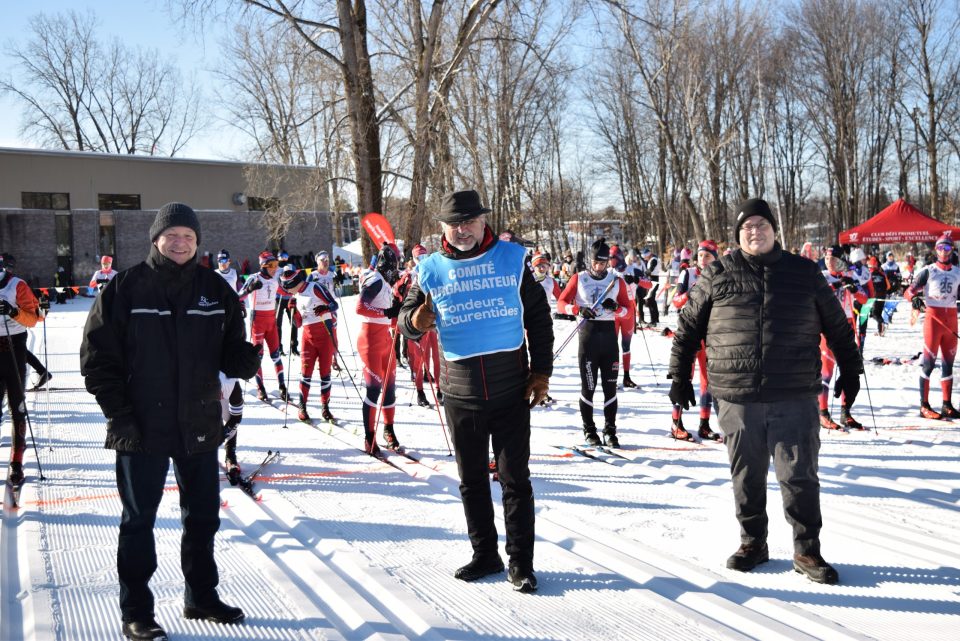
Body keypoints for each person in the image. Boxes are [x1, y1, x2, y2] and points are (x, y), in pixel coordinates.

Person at [79, 203, 261, 640]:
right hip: (140, 424)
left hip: (198, 421)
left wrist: (244, 359)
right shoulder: (126, 288)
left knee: (202, 517)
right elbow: (97, 360)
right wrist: (118, 416)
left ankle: (201, 596)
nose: (180, 243)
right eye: (172, 235)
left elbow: (231, 348)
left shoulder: (215, 290)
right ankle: (137, 610)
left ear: (198, 243)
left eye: (189, 237)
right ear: (156, 238)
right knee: (138, 520)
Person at [668, 198, 862, 585]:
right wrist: (679, 377)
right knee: (746, 475)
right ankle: (753, 542)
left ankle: (807, 550)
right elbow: (687, 327)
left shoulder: (804, 273)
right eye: (746, 227)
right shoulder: (719, 272)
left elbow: (837, 327)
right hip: (737, 395)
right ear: (738, 235)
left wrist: (851, 371)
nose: (754, 232)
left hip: (794, 393)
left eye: (761, 225)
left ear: (775, 230)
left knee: (800, 476)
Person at [398, 189, 552, 593]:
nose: (462, 230)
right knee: (471, 480)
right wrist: (417, 317)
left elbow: (538, 317)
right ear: (443, 228)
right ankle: (485, 554)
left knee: (514, 478)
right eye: (454, 223)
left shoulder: (512, 259)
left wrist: (541, 372)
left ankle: (521, 562)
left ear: (484, 221)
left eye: (469, 221)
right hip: (460, 393)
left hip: (510, 390)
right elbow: (404, 323)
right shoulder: (429, 269)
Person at [557, 237, 634, 448]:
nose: (598, 267)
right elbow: (561, 303)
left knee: (610, 389)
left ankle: (610, 430)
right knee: (588, 387)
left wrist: (616, 308)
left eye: (602, 262)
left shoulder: (615, 281)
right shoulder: (579, 278)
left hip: (609, 338)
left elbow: (629, 313)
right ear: (590, 260)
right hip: (588, 337)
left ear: (608, 261)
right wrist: (577, 310)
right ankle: (589, 430)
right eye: (595, 262)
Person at [669, 240, 722, 442]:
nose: (702, 259)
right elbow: (675, 300)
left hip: (710, 334)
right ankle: (676, 423)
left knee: (708, 380)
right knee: (684, 377)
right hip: (690, 332)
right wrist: (689, 294)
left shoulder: (719, 275)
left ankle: (704, 425)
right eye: (700, 255)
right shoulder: (688, 273)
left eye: (707, 256)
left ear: (715, 258)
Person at [904, 234, 960, 419]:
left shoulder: (958, 272)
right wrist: (914, 300)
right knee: (928, 364)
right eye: (940, 248)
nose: (944, 252)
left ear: (952, 250)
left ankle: (947, 405)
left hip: (951, 320)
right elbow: (908, 291)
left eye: (947, 248)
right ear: (935, 250)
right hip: (933, 321)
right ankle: (924, 406)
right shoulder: (928, 271)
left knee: (948, 365)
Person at [356, 243, 403, 452]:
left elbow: (387, 311)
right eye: (396, 262)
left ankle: (389, 430)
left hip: (384, 338)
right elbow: (360, 306)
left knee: (390, 389)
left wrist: (396, 316)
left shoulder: (384, 281)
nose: (397, 268)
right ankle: (369, 437)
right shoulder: (375, 279)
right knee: (374, 390)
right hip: (370, 340)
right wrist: (387, 313)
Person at [0, 253, 41, 487]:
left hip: (13, 350)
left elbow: (34, 319)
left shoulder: (18, 286)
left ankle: (17, 462)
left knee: (17, 407)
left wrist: (12, 311)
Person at [280, 267, 339, 423]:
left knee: (325, 374)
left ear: (292, 283)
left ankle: (325, 408)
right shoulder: (295, 297)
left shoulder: (315, 287)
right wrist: (291, 312)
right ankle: (302, 407)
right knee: (306, 373)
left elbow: (334, 304)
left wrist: (326, 308)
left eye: (287, 288)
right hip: (308, 338)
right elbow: (298, 323)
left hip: (325, 335)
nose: (287, 292)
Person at [819, 252, 867, 430]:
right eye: (825, 258)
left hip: (847, 325)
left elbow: (864, 298)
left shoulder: (849, 276)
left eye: (831, 258)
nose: (827, 261)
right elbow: (820, 293)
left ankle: (846, 412)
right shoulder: (822, 276)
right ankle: (823, 413)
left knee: (849, 370)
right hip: (828, 325)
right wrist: (838, 284)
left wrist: (853, 289)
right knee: (827, 372)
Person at [238, 251, 288, 402]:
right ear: (263, 266)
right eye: (272, 265)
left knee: (276, 356)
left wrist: (293, 294)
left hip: (271, 322)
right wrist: (249, 289)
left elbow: (284, 292)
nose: (275, 268)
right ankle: (261, 388)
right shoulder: (254, 278)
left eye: (276, 265)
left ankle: (282, 387)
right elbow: (238, 296)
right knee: (257, 357)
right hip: (257, 322)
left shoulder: (274, 280)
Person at [640, 247, 661, 327]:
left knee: (649, 300)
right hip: (652, 280)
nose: (645, 258)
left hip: (653, 280)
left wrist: (645, 273)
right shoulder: (652, 259)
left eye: (645, 257)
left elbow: (651, 269)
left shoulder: (653, 260)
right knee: (651, 300)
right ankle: (656, 318)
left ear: (648, 255)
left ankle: (653, 320)